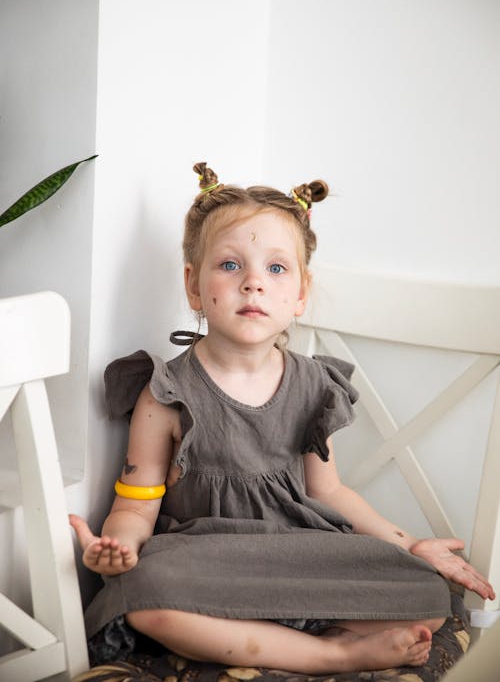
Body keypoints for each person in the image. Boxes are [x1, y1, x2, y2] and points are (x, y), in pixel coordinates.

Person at [70, 163, 495, 674]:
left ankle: (274, 632)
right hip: (206, 561)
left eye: (275, 269)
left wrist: (409, 544)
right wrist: (117, 547)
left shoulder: (316, 386)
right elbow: (136, 507)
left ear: (300, 293)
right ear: (193, 285)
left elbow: (330, 494)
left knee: (427, 595)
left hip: (300, 553)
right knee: (144, 596)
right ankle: (328, 651)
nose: (253, 283)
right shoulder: (165, 393)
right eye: (230, 265)